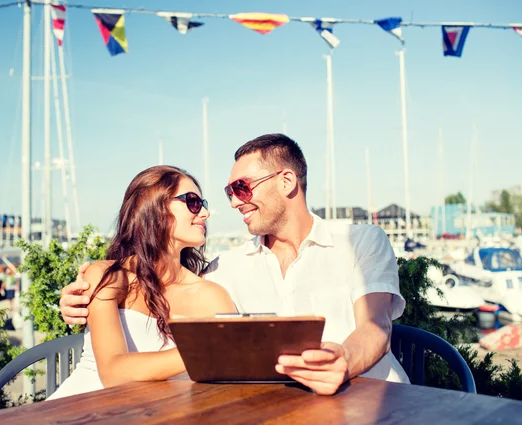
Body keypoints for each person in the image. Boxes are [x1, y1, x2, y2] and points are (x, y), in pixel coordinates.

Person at [60, 134, 409, 395]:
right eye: (229, 192)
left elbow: (376, 326)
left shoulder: (360, 241)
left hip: (374, 400)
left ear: (286, 181)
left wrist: (344, 359)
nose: (232, 204)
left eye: (241, 188)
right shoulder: (223, 269)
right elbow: (160, 289)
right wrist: (79, 299)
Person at [48, 165, 236, 400]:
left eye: (202, 204)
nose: (205, 213)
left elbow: (231, 374)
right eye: (192, 202)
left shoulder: (211, 295)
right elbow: (113, 373)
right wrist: (203, 349)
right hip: (78, 407)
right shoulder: (109, 276)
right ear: (153, 206)